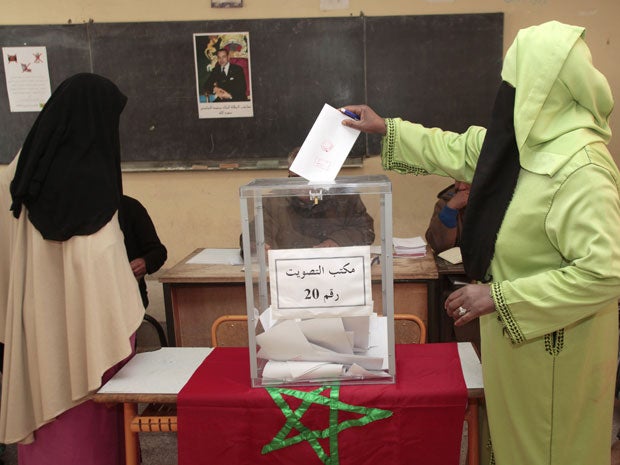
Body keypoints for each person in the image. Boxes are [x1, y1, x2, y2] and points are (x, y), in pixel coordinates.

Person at [341, 21, 620, 465]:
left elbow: (606, 274)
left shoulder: (582, 169)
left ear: (539, 86)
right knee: (508, 446)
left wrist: (497, 296)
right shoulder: (517, 143)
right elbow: (451, 147)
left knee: (547, 451)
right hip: (516, 341)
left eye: (514, 80)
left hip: (555, 353)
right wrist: (383, 127)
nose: (505, 90)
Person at [0, 73, 145, 464]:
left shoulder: (21, 172)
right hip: (93, 337)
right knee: (92, 432)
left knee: (50, 421)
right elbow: (109, 278)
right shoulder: (96, 186)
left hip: (37, 328)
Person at [242, 148, 375, 252]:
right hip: (292, 271)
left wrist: (337, 241)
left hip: (336, 269)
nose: (301, 184)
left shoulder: (345, 198)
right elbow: (254, 233)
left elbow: (365, 230)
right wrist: (257, 245)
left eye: (307, 177)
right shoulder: (274, 201)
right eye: (295, 178)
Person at [118, 194, 168, 309]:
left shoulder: (129, 207)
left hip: (127, 299)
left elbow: (158, 252)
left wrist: (145, 262)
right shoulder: (71, 213)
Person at [424, 180, 470, 253]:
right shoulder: (446, 202)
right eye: (458, 180)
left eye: (467, 182)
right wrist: (450, 210)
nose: (461, 187)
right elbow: (437, 246)